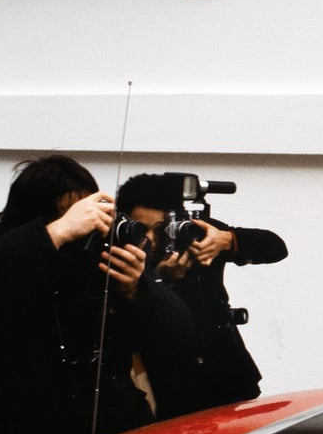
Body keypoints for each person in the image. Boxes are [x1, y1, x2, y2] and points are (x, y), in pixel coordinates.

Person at [0, 155, 194, 434]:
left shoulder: (103, 258)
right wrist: (53, 234)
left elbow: (178, 333)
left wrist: (139, 289)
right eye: (73, 216)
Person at [116, 172, 288, 411]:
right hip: (170, 389)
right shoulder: (120, 255)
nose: (152, 239)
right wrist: (160, 282)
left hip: (226, 377)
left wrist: (226, 240)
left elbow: (276, 247)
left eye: (161, 228)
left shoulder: (195, 234)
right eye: (141, 229)